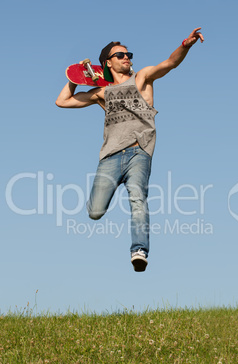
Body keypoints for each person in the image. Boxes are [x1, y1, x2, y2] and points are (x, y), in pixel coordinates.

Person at [56, 28, 204, 272]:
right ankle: (124, 234)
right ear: (108, 63)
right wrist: (76, 77)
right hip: (110, 157)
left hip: (138, 152)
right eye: (120, 55)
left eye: (128, 54)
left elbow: (169, 63)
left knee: (138, 199)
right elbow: (62, 101)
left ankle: (139, 250)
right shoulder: (101, 93)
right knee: (94, 212)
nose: (127, 57)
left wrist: (185, 45)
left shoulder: (142, 78)